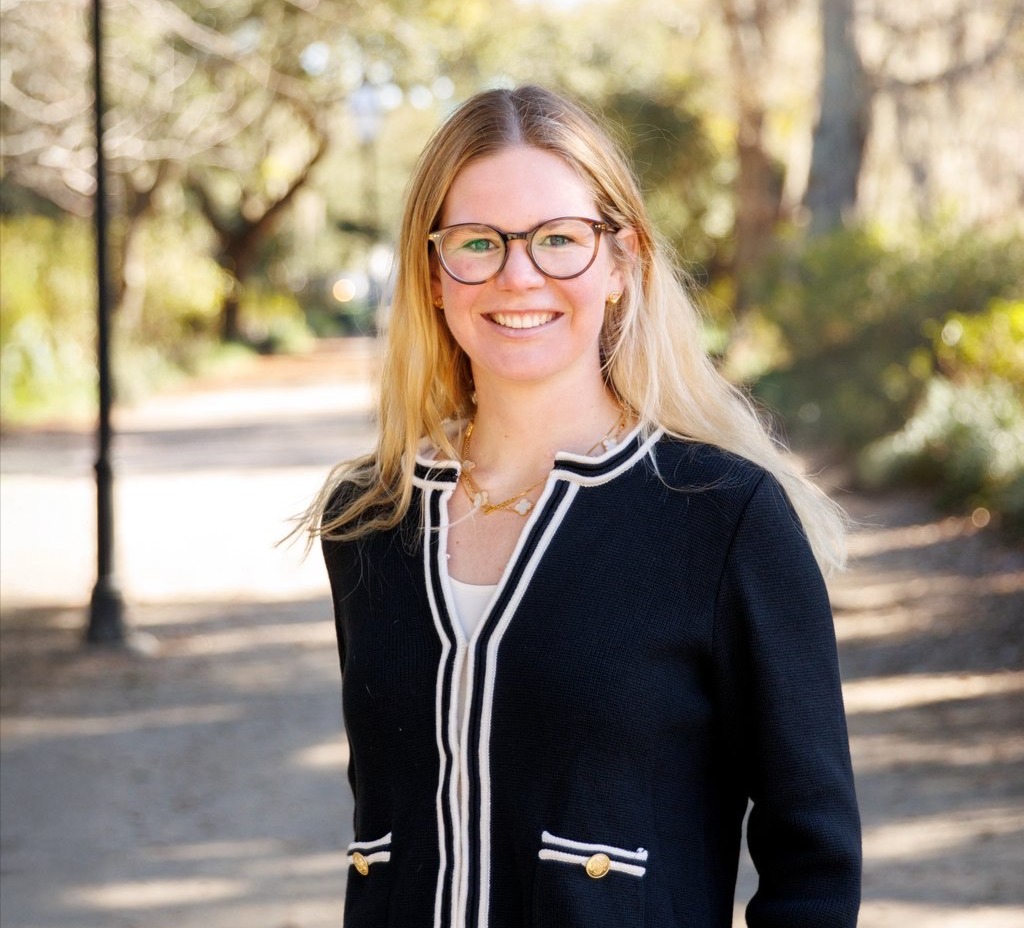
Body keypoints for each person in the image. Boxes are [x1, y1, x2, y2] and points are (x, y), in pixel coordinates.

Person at [306, 84, 861, 927]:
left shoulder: (724, 518)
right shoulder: (370, 519)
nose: (518, 274)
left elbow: (814, 862)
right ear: (432, 272)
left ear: (620, 263)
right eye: (478, 242)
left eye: (560, 239)